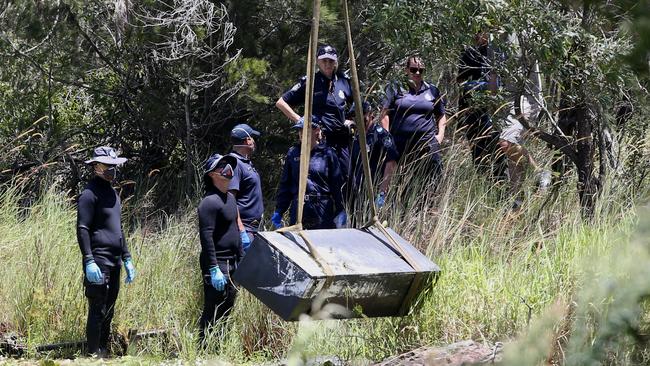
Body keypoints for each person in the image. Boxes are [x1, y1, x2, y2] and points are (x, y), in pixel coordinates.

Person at [77, 146, 136, 357]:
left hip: (115, 260)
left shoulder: (113, 193)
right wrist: (88, 260)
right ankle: (93, 354)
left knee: (109, 311)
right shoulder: (89, 193)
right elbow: (82, 228)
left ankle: (103, 351)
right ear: (95, 166)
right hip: (98, 260)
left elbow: (118, 228)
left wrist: (127, 257)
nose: (111, 170)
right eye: (107, 166)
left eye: (114, 166)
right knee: (97, 310)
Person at [275, 44, 355, 181]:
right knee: (321, 179)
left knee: (347, 180)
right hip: (319, 141)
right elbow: (281, 103)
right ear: (318, 61)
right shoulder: (310, 82)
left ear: (336, 62)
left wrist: (351, 119)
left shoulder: (344, 81)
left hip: (341, 141)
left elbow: (358, 105)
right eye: (324, 60)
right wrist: (301, 122)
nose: (327, 64)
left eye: (331, 61)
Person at [270, 117, 346, 230]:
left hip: (322, 208)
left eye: (305, 130)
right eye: (299, 130)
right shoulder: (293, 153)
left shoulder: (328, 154)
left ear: (316, 130)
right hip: (299, 207)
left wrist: (341, 209)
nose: (301, 133)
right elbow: (285, 185)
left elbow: (337, 184)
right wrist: (279, 210)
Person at [197, 153, 242, 342]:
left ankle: (220, 347)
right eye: (222, 165)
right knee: (213, 307)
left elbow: (235, 230)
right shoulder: (209, 202)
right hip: (218, 264)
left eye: (229, 165)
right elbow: (206, 237)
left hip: (233, 262)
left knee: (228, 306)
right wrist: (214, 267)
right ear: (212, 174)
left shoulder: (230, 199)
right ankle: (204, 348)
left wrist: (241, 257)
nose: (228, 169)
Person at [380, 55, 447, 181]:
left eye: (421, 70)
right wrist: (387, 137)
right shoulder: (396, 88)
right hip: (400, 145)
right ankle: (386, 200)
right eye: (413, 69)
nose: (417, 73)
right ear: (406, 70)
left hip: (427, 144)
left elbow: (441, 115)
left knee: (432, 182)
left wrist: (440, 136)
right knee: (402, 183)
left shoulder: (432, 90)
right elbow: (384, 114)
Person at [457, 31, 507, 180]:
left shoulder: (500, 53)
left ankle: (500, 185)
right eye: (477, 32)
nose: (479, 36)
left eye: (483, 32)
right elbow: (460, 80)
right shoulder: (470, 53)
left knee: (498, 149)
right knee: (477, 151)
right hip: (474, 110)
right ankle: (482, 183)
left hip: (494, 110)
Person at [347, 101, 399, 211]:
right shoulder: (356, 138)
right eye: (355, 115)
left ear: (370, 114)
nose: (358, 118)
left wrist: (382, 192)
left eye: (362, 114)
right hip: (359, 195)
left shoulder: (381, 135)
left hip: (376, 192)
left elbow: (391, 163)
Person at [228, 123, 263, 251]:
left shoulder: (246, 162)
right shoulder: (235, 163)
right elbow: (231, 198)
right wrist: (241, 230)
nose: (254, 141)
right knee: (244, 270)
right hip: (244, 230)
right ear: (247, 140)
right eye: (252, 137)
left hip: (253, 229)